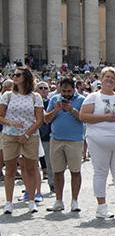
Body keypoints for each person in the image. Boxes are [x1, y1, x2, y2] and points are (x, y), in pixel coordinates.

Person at [80, 66, 115, 219]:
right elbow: (83, 116)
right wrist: (106, 117)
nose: (110, 80)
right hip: (99, 139)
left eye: (113, 78)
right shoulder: (93, 97)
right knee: (101, 172)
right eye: (107, 77)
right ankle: (101, 207)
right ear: (101, 79)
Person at [0, 67, 45, 214]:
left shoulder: (35, 96)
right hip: (10, 135)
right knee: (10, 170)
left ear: (26, 77)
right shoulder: (7, 95)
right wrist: (10, 123)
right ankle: (8, 202)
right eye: (13, 75)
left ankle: (31, 200)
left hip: (30, 136)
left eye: (18, 75)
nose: (15, 77)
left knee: (31, 168)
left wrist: (26, 134)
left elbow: (39, 120)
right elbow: (0, 116)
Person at [42, 76, 85, 213]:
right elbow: (46, 120)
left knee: (75, 171)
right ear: (60, 89)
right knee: (57, 172)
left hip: (75, 140)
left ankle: (75, 201)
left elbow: (83, 118)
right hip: (56, 139)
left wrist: (71, 109)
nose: (66, 94)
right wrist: (56, 110)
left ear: (74, 89)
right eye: (64, 91)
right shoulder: (54, 99)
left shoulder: (82, 100)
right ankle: (58, 201)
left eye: (69, 91)